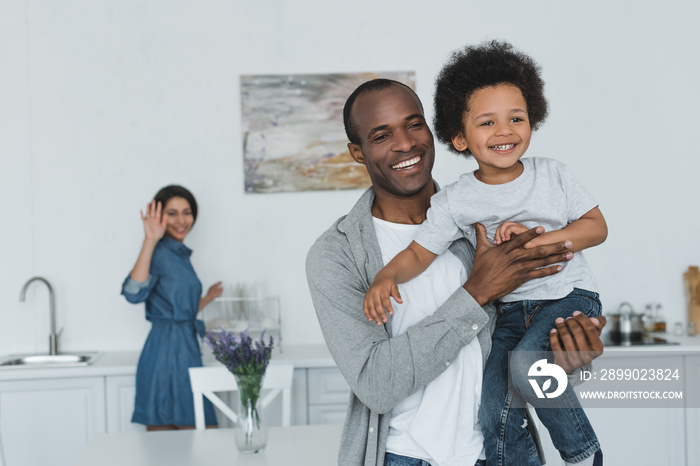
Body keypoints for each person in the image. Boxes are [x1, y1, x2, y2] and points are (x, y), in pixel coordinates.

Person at [306, 77, 606, 466]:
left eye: (414, 124)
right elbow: (376, 385)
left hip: (494, 452)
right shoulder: (336, 255)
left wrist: (574, 357)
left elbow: (529, 331)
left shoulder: (479, 214)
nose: (404, 143)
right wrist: (476, 292)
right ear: (357, 152)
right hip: (405, 457)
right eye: (381, 136)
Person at [121, 185, 221, 431]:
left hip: (184, 346)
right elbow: (133, 293)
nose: (181, 220)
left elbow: (179, 309)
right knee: (177, 436)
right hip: (166, 353)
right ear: (159, 216)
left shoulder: (179, 254)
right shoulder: (158, 252)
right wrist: (150, 240)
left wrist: (207, 298)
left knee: (193, 435)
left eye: (187, 212)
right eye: (172, 213)